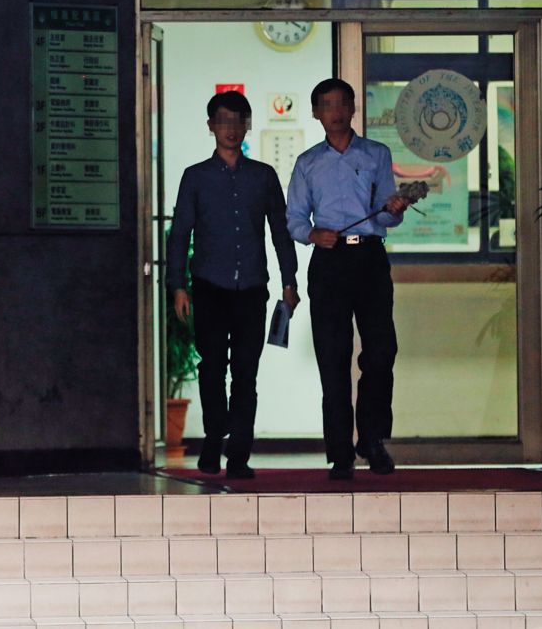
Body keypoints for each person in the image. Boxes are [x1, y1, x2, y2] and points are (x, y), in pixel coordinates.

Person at [166, 90, 299, 479]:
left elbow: (280, 232)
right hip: (209, 285)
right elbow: (180, 235)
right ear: (211, 126)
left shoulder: (263, 176)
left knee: (245, 372)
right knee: (211, 367)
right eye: (223, 121)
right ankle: (213, 438)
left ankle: (239, 454)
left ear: (247, 126)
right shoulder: (195, 177)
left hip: (252, 287)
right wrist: (178, 286)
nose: (231, 129)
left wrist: (289, 281)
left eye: (238, 121)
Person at [286, 78, 410, 480]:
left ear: (354, 108)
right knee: (332, 355)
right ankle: (340, 452)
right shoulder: (307, 162)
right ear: (315, 113)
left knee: (381, 351)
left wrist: (394, 209)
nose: (336, 112)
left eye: (342, 103)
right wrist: (312, 234)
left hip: (369, 257)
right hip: (329, 261)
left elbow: (387, 214)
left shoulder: (376, 153)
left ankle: (372, 440)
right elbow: (294, 218)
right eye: (327, 105)